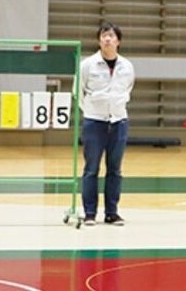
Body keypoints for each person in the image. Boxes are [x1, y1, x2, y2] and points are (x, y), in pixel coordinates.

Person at [78, 21, 134, 226]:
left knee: (115, 169)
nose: (107, 39)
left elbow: (128, 89)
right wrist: (93, 111)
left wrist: (116, 109)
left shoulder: (127, 66)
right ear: (99, 40)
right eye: (104, 35)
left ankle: (112, 212)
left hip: (119, 122)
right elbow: (79, 92)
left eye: (111, 36)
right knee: (91, 168)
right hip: (94, 122)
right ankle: (90, 213)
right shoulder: (87, 64)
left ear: (118, 41)